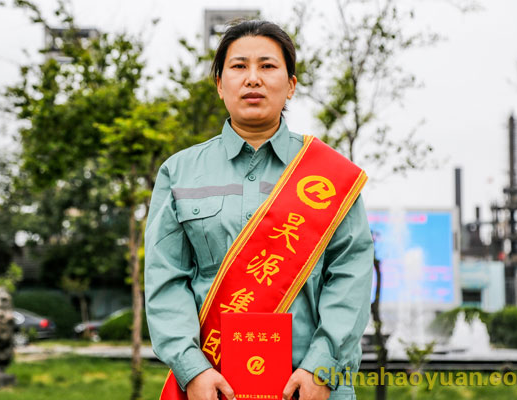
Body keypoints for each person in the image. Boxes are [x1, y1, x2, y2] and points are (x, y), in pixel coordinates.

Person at [144, 20, 374, 400]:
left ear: (291, 85)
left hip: (311, 387)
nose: (253, 78)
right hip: (212, 385)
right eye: (239, 66)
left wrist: (323, 367)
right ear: (220, 85)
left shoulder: (330, 176)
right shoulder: (179, 172)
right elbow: (166, 278)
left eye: (267, 66)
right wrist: (192, 369)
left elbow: (351, 275)